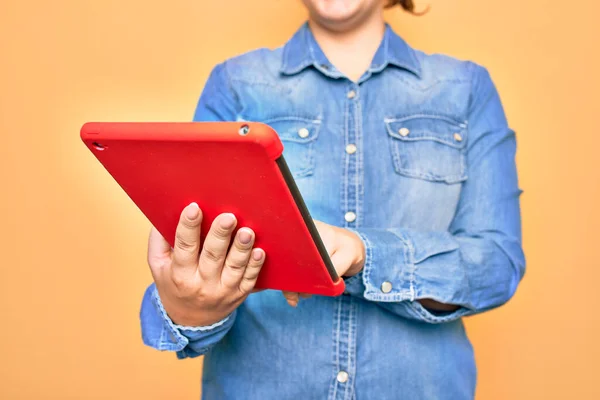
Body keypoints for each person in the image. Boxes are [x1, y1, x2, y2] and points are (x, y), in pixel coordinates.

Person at [139, 0, 526, 398]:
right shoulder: (235, 84)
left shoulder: (466, 89)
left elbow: (497, 264)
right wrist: (191, 308)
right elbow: (198, 284)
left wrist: (366, 255)